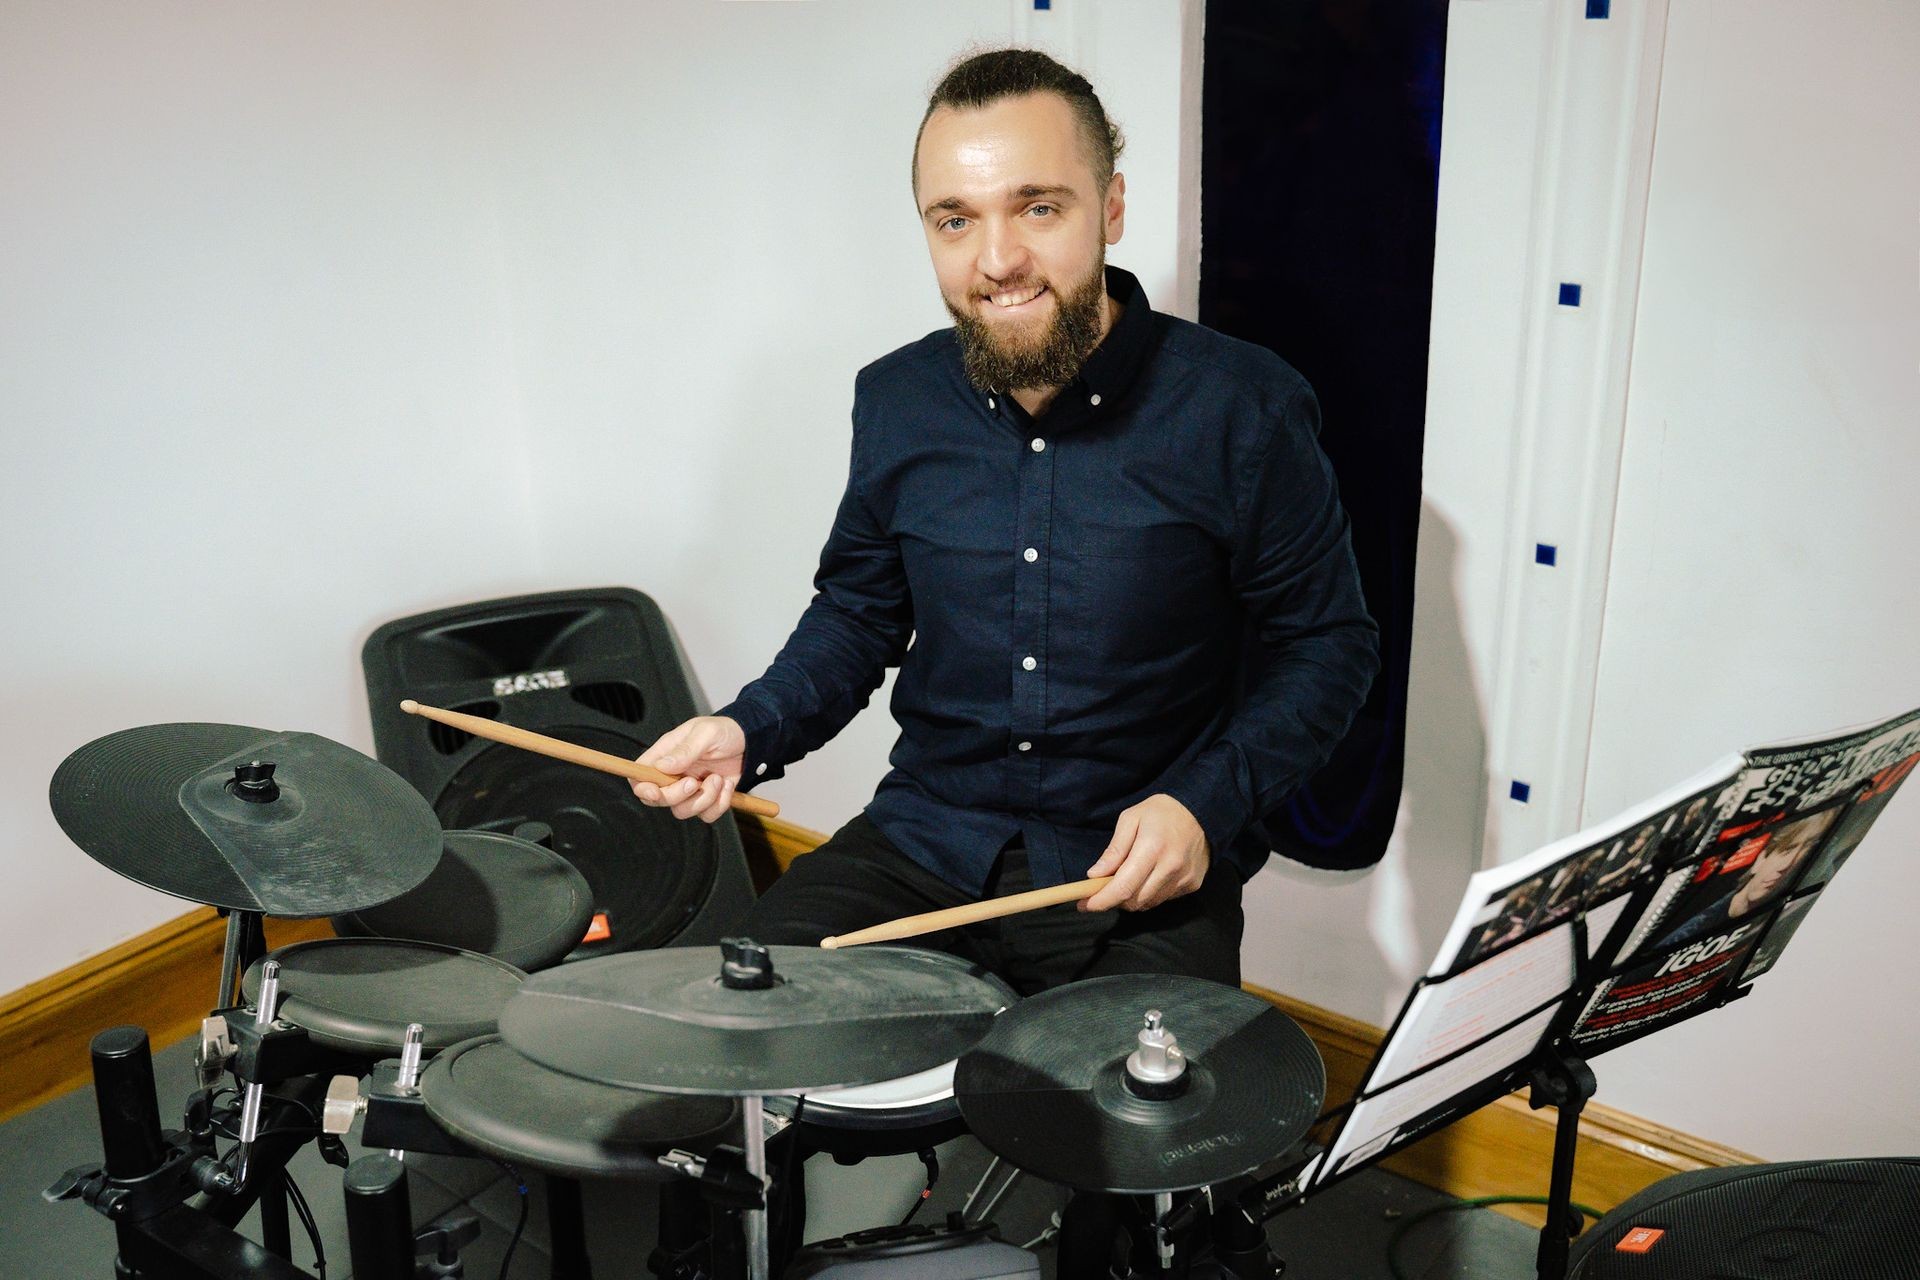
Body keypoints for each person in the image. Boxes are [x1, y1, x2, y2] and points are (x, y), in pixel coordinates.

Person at [632, 48, 1376, 999]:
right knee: (729, 1039)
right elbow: (860, 613)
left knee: (1121, 1134)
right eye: (955, 219)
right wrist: (748, 728)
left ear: (1110, 208)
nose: (997, 261)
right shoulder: (895, 399)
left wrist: (1205, 805)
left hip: (1131, 874)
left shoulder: (1246, 407)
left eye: (1038, 207)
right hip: (921, 844)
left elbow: (1328, 646)